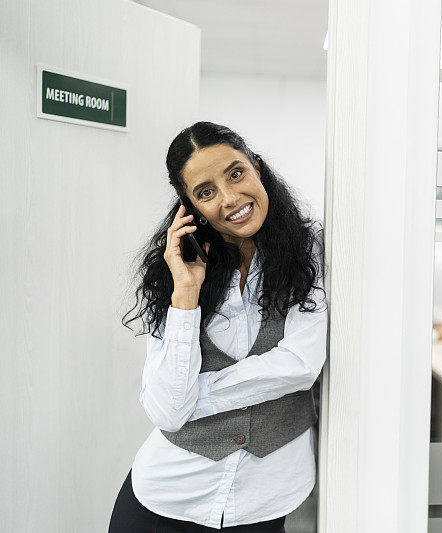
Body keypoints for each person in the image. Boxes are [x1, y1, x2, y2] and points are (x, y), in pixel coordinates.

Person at [112, 122, 327, 531]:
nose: (230, 198)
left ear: (257, 168)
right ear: (189, 206)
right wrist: (185, 294)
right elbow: (167, 412)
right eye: (205, 192)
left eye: (236, 173)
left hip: (262, 502)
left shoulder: (310, 251)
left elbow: (300, 364)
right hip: (166, 499)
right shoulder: (175, 273)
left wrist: (197, 396)